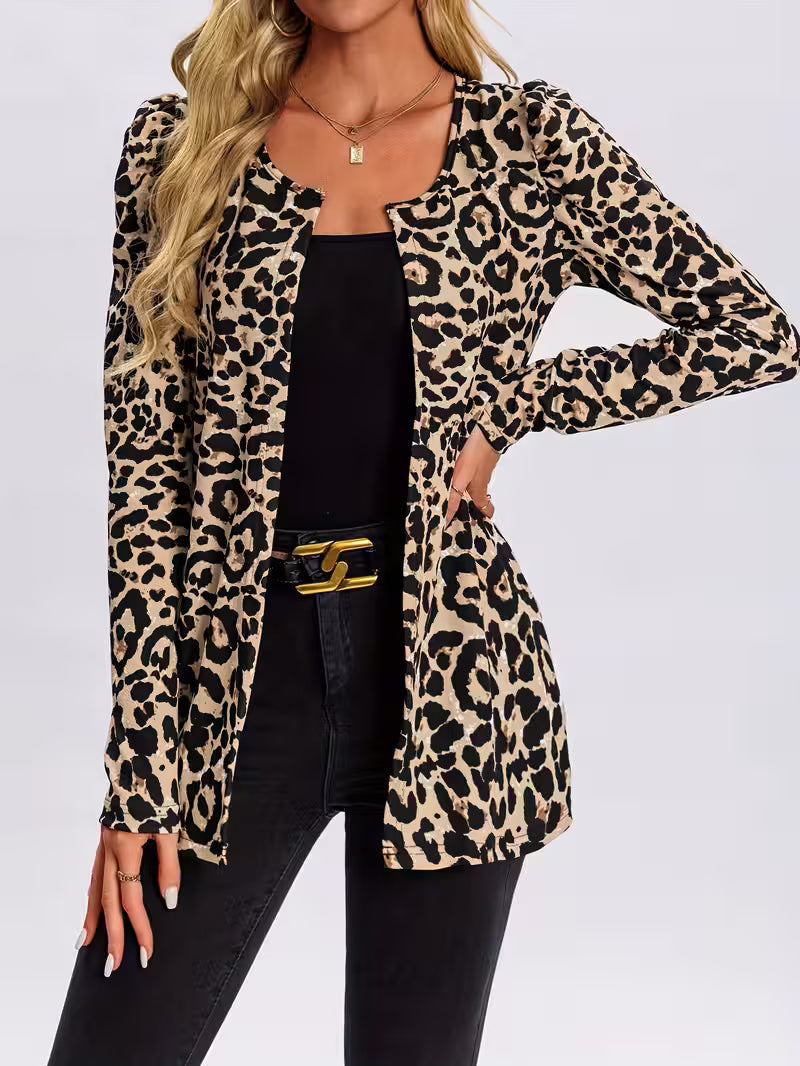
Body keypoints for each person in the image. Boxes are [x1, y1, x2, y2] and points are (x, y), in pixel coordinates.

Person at [46, 2, 799, 1064]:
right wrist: (139, 770)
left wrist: (521, 403)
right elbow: (144, 475)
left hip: (456, 684)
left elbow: (753, 332)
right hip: (230, 688)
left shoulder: (528, 144)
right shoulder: (182, 147)